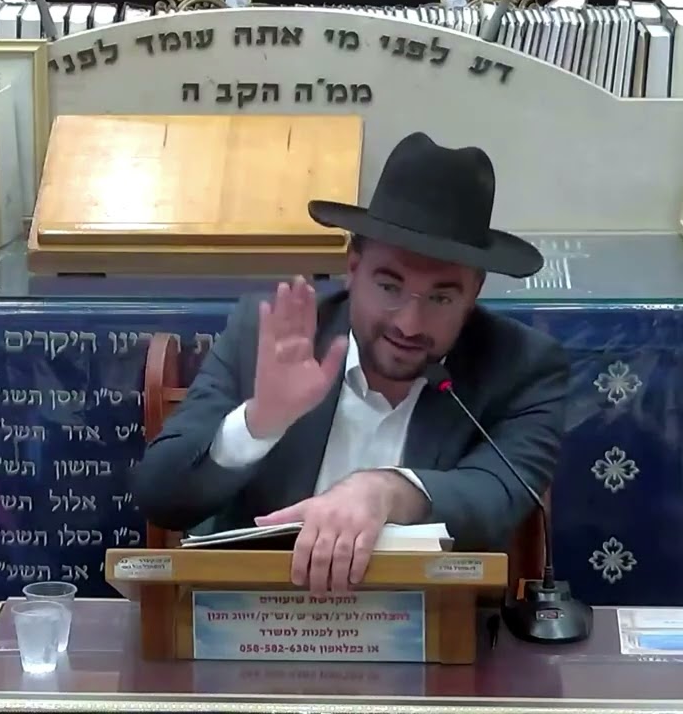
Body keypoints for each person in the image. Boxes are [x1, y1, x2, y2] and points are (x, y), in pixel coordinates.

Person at [130, 132, 569, 595]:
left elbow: (496, 494)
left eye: (441, 297)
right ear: (353, 268)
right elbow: (160, 497)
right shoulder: (272, 337)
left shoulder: (521, 368)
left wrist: (386, 491)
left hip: (436, 626)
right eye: (389, 286)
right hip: (254, 619)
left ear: (474, 293)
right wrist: (259, 423)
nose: (409, 323)